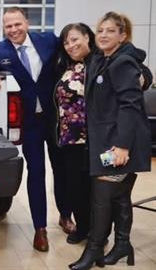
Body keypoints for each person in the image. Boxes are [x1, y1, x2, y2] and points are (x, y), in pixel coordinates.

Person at [0, 7, 73, 252]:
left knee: (63, 169)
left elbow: (76, 55)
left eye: (17, 24)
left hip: (56, 119)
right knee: (37, 172)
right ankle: (40, 229)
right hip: (30, 123)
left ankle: (65, 215)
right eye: (8, 26)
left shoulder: (49, 40)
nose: (13, 30)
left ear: (27, 23)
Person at [70, 11, 152, 270]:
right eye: (101, 30)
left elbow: (130, 105)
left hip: (119, 143)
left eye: (110, 31)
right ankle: (122, 245)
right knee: (119, 197)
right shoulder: (102, 59)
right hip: (107, 141)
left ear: (123, 35)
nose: (103, 35)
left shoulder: (121, 62)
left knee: (101, 196)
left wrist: (123, 146)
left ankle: (94, 249)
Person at [54, 23, 97, 245]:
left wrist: (143, 78)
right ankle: (82, 228)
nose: (71, 45)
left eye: (75, 39)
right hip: (69, 138)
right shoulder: (69, 66)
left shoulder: (100, 62)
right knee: (74, 186)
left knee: (94, 189)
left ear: (88, 37)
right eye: (66, 42)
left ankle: (98, 234)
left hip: (93, 139)